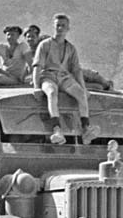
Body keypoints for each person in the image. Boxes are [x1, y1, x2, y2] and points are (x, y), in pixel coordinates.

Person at [32, 13, 100, 145]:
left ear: (68, 28)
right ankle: (56, 129)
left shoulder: (71, 48)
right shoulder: (45, 45)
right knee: (52, 93)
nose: (60, 28)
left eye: (63, 26)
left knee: (81, 94)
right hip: (48, 76)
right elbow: (37, 66)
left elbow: (76, 70)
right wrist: (36, 87)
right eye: (58, 25)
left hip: (64, 77)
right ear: (54, 27)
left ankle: (86, 128)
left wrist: (84, 88)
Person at [23, 24, 114, 91]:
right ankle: (98, 87)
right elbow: (30, 69)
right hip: (53, 76)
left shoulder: (45, 42)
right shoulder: (27, 54)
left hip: (66, 67)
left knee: (89, 74)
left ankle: (107, 84)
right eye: (28, 37)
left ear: (37, 36)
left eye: (33, 36)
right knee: (93, 86)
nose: (31, 39)